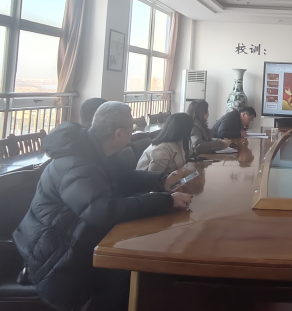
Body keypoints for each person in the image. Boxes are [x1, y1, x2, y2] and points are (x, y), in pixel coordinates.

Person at [13, 102, 191, 311]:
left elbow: (121, 177)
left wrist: (161, 181)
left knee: (142, 265)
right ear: (119, 134)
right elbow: (102, 211)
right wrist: (166, 200)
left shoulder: (92, 151)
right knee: (130, 273)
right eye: (131, 129)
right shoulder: (77, 164)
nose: (132, 134)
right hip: (55, 260)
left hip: (73, 242)